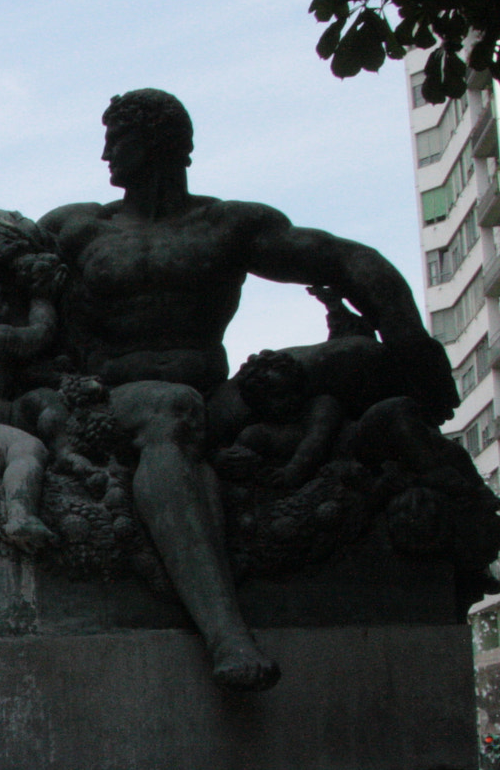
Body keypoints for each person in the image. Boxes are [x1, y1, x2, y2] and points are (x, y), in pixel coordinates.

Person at [35, 89, 459, 690]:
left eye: (118, 138)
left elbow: (349, 262)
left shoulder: (225, 225)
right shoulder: (75, 228)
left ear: (159, 144)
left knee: (356, 356)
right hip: (114, 400)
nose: (105, 153)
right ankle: (226, 635)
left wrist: (414, 344)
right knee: (170, 410)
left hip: (214, 398)